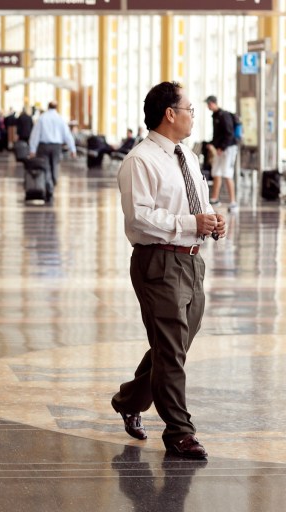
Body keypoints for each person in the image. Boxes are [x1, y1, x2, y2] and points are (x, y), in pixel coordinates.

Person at [112, 81, 227, 460]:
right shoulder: (140, 160)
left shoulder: (188, 156)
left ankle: (129, 400)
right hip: (159, 260)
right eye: (189, 109)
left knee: (173, 345)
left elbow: (199, 204)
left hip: (193, 261)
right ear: (170, 114)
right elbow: (139, 218)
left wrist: (210, 220)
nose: (194, 115)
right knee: (172, 347)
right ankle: (180, 432)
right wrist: (191, 222)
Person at [28, 101, 77, 200]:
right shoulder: (60, 119)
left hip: (43, 146)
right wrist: (73, 149)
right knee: (55, 166)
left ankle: (49, 186)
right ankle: (52, 184)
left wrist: (32, 149)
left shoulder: (42, 118)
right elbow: (67, 134)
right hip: (56, 147)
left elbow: (35, 134)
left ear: (48, 107)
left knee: (46, 167)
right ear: (56, 107)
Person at [204, 95, 239, 211]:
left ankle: (233, 201)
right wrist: (212, 144)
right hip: (219, 148)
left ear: (213, 103)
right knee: (216, 172)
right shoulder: (215, 116)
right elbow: (217, 135)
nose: (208, 106)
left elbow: (229, 134)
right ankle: (214, 199)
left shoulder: (224, 115)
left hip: (229, 148)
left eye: (209, 104)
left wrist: (222, 147)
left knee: (227, 174)